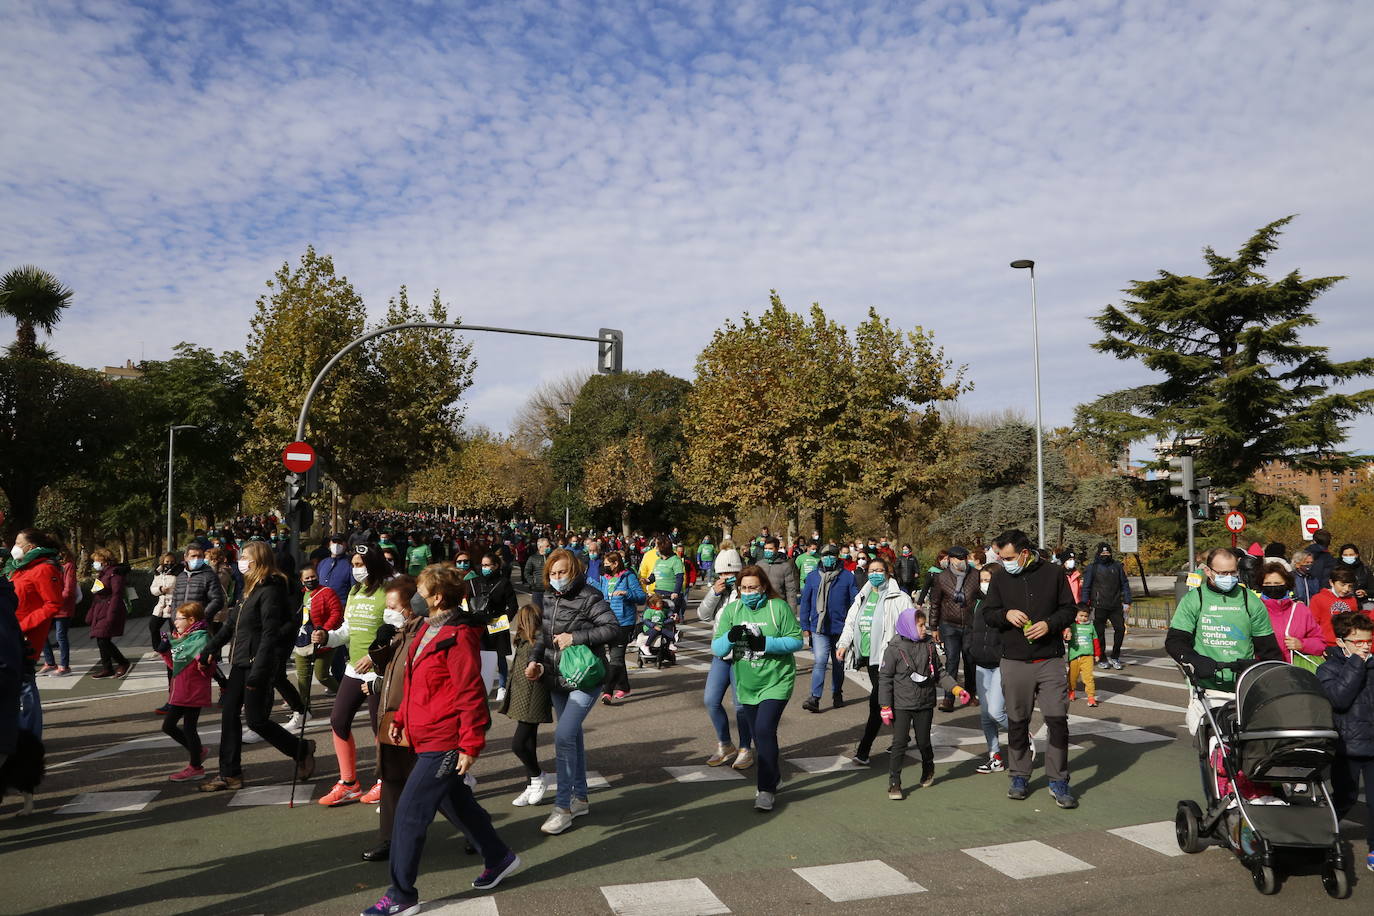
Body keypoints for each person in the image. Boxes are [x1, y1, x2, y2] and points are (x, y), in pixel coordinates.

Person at [361, 566, 520, 916]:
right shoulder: (424, 630)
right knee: (456, 803)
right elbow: (416, 681)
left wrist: (470, 744)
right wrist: (401, 718)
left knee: (408, 815)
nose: (414, 595)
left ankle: (401, 895)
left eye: (419, 589)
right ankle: (498, 856)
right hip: (423, 734)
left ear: (436, 598)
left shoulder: (458, 635)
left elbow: (470, 692)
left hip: (445, 740)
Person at [200, 541, 316, 791]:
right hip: (241, 662)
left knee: (256, 721)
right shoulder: (248, 589)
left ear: (258, 560)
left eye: (245, 556)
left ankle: (301, 749)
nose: (241, 561)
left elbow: (269, 634)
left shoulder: (270, 590)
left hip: (257, 664)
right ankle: (229, 773)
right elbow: (232, 625)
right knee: (229, 715)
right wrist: (208, 649)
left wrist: (260, 670)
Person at [981, 529, 1080, 809]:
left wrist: (1050, 624)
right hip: (1014, 660)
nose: (1004, 561)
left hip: (1049, 659)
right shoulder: (999, 577)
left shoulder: (1053, 573)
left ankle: (1058, 780)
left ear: (1024, 553)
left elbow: (1069, 610)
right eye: (1001, 557)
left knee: (1057, 720)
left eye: (1009, 557)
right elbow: (988, 613)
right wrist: (1005, 614)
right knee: (1017, 721)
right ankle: (1019, 775)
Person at [526, 548, 618, 835]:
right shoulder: (549, 596)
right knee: (572, 737)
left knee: (564, 735)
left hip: (586, 676)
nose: (557, 578)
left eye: (562, 572)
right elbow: (542, 635)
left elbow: (613, 628)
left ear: (574, 571)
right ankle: (580, 798)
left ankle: (562, 807)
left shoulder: (590, 595)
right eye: (552, 574)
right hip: (556, 677)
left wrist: (575, 637)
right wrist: (534, 661)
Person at [1165, 546, 1283, 744]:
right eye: (1222, 573)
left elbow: (1268, 649)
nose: (1228, 577)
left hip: (1242, 683)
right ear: (1208, 571)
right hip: (1207, 685)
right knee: (1214, 741)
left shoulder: (1250, 602)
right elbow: (1175, 641)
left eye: (1232, 572)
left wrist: (1273, 677)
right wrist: (1195, 660)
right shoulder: (1194, 600)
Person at [710, 564, 803, 812]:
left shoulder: (778, 608)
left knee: (763, 730)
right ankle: (774, 776)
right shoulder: (733, 610)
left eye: (753, 587)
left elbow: (796, 640)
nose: (749, 592)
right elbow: (717, 650)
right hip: (747, 683)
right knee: (762, 736)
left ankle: (765, 790)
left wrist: (764, 642)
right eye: (744, 588)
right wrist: (731, 636)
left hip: (777, 680)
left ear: (763, 587)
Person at [316, 545, 392, 806]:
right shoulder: (356, 590)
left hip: (378, 671)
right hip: (353, 669)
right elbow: (348, 629)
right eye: (354, 564)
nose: (356, 569)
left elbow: (401, 635)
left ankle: (386, 782)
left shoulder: (389, 590)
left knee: (378, 727)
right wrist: (328, 637)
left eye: (361, 563)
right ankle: (349, 783)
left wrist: (374, 657)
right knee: (338, 720)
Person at [880, 608, 967, 798]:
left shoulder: (928, 644)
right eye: (919, 625)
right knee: (899, 742)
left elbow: (940, 672)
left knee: (924, 742)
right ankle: (894, 782)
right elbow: (885, 678)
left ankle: (928, 767)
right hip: (902, 704)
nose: (923, 629)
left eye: (923, 624)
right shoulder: (893, 649)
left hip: (925, 702)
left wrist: (956, 689)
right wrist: (885, 706)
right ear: (908, 626)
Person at [836, 556, 913, 767]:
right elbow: (851, 623)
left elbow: (911, 628)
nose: (875, 574)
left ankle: (863, 751)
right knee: (886, 699)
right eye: (871, 570)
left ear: (888, 572)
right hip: (870, 658)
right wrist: (843, 644)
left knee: (878, 702)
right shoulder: (863, 596)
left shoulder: (900, 598)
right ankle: (903, 735)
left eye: (879, 570)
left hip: (891, 659)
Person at [1316, 612, 1374, 875]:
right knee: (1345, 797)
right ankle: (1320, 836)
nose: (1364, 646)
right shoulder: (1328, 668)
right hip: (1346, 746)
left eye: (1368, 641)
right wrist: (1356, 664)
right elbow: (1339, 699)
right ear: (1342, 642)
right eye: (1357, 641)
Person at [4, 529, 65, 736]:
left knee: (25, 683)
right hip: (9, 632)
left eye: (19, 542)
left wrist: (22, 627)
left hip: (25, 635)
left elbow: (53, 604)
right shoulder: (19, 568)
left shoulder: (44, 569)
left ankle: (31, 735)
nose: (15, 546)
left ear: (31, 546)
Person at [698, 548, 754, 769]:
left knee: (740, 705)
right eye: (721, 574)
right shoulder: (718, 591)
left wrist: (740, 592)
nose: (725, 578)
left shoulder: (746, 591)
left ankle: (745, 748)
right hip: (721, 655)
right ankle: (725, 744)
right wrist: (713, 592)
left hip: (741, 656)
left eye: (729, 574)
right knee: (711, 701)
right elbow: (703, 615)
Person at [799, 544, 858, 713]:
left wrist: (852, 623)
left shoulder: (847, 577)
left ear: (837, 556)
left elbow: (854, 601)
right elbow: (805, 603)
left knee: (838, 663)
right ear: (821, 557)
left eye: (832, 555)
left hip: (840, 628)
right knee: (820, 662)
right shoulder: (812, 577)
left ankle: (837, 693)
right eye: (825, 555)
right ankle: (815, 698)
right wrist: (805, 625)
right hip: (819, 628)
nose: (828, 558)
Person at [504, 603, 553, 807]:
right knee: (529, 743)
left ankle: (539, 776)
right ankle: (532, 783)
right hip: (523, 696)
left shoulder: (538, 640)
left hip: (533, 697)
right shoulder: (525, 640)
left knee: (518, 744)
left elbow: (544, 664)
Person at [158, 602, 213, 781]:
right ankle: (198, 753)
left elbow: (208, 669)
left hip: (193, 690)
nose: (175, 621)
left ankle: (196, 766)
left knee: (187, 728)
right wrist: (165, 652)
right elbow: (175, 666)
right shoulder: (181, 637)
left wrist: (204, 663)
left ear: (191, 620)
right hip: (181, 690)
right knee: (170, 726)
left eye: (179, 618)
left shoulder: (201, 639)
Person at [967, 563, 1008, 773]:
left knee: (996, 711)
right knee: (985, 715)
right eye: (982, 580)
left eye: (988, 580)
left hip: (1001, 663)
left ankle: (1022, 734)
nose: (984, 584)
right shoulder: (976, 602)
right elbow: (970, 628)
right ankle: (995, 756)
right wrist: (970, 648)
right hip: (981, 663)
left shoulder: (1007, 602)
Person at [928, 545, 979, 711]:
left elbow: (983, 597)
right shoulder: (942, 577)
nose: (961, 561)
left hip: (970, 625)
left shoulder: (975, 575)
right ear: (950, 559)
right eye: (958, 558)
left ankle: (971, 694)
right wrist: (934, 627)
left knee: (970, 660)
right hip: (949, 625)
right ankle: (948, 698)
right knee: (952, 660)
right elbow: (935, 603)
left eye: (964, 558)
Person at [594, 550, 646, 703]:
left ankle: (607, 691)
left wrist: (626, 593)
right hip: (607, 621)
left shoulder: (628, 576)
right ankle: (624, 687)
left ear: (616, 564)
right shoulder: (605, 578)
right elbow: (602, 595)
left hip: (624, 622)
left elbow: (642, 597)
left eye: (607, 565)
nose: (605, 567)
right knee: (616, 656)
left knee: (615, 657)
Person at [294, 563, 344, 723]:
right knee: (302, 677)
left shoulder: (327, 592)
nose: (310, 580)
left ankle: (344, 696)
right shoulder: (299, 595)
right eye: (307, 578)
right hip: (303, 641)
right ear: (302, 581)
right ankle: (304, 709)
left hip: (324, 641)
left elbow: (337, 613)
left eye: (313, 577)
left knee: (321, 675)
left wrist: (324, 631)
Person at [466, 551, 518, 702]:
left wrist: (504, 620)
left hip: (497, 625)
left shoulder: (504, 583)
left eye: (487, 565)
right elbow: (467, 602)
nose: (484, 568)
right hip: (479, 626)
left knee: (500, 657)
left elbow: (513, 605)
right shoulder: (474, 582)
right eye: (482, 565)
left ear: (496, 566)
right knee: (480, 656)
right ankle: (481, 685)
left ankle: (502, 686)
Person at [1257, 562, 1325, 664]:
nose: (1272, 587)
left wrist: (1302, 644)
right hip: (1262, 671)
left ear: (1287, 584)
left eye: (1277, 583)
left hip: (1293, 672)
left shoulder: (1301, 610)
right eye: (1267, 584)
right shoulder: (1254, 610)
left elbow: (1320, 643)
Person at [1081, 542, 1131, 671]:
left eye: (1107, 553)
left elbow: (1124, 584)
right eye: (1103, 553)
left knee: (1120, 629)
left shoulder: (1117, 566)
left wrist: (1127, 600)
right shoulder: (1092, 567)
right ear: (1098, 553)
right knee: (1099, 633)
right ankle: (1102, 657)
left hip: (1115, 605)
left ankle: (1115, 656)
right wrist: (1084, 605)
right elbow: (1086, 587)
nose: (1105, 555)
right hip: (1098, 605)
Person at [86, 548, 130, 680]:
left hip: (109, 609)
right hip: (101, 609)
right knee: (101, 639)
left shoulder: (114, 574)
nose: (95, 563)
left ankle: (122, 662)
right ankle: (107, 668)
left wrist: (112, 613)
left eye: (96, 561)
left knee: (103, 639)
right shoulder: (103, 574)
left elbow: (117, 594)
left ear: (104, 561)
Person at [38, 542, 78, 677]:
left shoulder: (68, 565)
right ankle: (50, 663)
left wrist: (55, 599)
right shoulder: (49, 565)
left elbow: (69, 589)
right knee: (42, 634)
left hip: (63, 607)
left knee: (60, 636)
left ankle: (64, 666)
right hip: (49, 606)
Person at [1310, 568, 1361, 648]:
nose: (1346, 589)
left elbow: (1356, 623)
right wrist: (1319, 644)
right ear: (1331, 582)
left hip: (1349, 644)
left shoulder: (1352, 600)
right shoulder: (1318, 599)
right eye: (1342, 585)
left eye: (1350, 586)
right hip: (1327, 644)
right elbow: (1313, 624)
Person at [756, 537, 800, 618]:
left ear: (776, 549)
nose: (767, 551)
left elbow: (790, 591)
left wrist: (792, 611)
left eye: (770, 549)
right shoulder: (759, 565)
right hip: (760, 607)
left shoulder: (785, 566)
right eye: (765, 548)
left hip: (778, 608)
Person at [1064, 608, 1099, 707]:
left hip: (1087, 657)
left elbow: (1095, 641)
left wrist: (1097, 654)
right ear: (1076, 615)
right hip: (1074, 657)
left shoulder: (1091, 627)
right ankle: (1071, 691)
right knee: (1072, 677)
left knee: (1088, 678)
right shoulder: (1071, 626)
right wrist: (1066, 636)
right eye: (1081, 616)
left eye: (1086, 616)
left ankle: (1091, 697)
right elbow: (1065, 638)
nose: (1083, 618)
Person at [646, 536, 685, 622]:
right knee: (655, 618)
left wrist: (676, 592)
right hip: (658, 594)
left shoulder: (675, 560)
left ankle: (672, 634)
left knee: (668, 619)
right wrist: (647, 581)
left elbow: (679, 577)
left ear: (662, 547)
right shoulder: (658, 561)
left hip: (670, 595)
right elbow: (653, 576)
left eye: (657, 546)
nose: (655, 548)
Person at [1337, 544, 1372, 609]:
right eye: (1345, 555)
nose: (1348, 557)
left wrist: (1365, 592)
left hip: (1362, 605)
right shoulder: (1336, 569)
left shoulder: (1365, 570)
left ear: (1356, 555)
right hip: (1342, 605)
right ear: (1341, 556)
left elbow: (1372, 589)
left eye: (1351, 555)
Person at [523, 537, 551, 610]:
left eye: (549, 545)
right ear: (540, 547)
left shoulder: (552, 557)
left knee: (549, 612)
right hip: (537, 590)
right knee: (537, 611)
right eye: (547, 546)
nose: (549, 547)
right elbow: (526, 572)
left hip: (550, 589)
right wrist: (532, 582)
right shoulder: (533, 558)